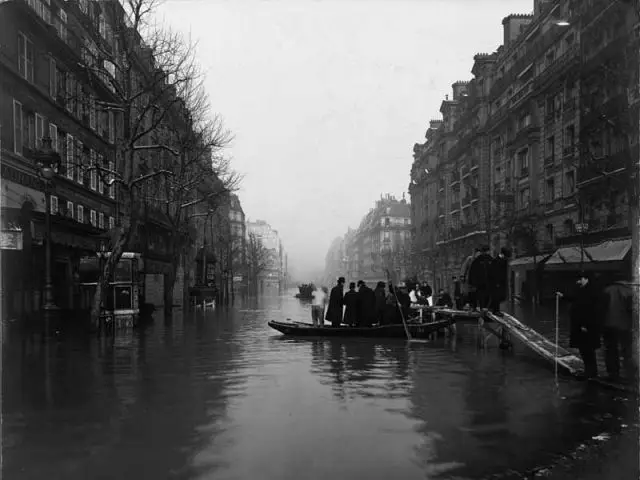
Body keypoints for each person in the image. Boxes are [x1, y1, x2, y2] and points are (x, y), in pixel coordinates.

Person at [559, 272, 603, 379]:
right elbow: (576, 299)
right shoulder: (584, 290)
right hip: (582, 325)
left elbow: (588, 310)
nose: (578, 282)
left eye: (580, 279)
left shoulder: (590, 292)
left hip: (585, 326)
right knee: (585, 349)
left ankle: (591, 372)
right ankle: (590, 371)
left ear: (586, 279)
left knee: (587, 349)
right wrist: (563, 296)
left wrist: (585, 324)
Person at [601, 278, 636, 381]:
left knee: (611, 350)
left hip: (609, 325)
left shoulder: (606, 291)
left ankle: (613, 374)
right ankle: (631, 375)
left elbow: (601, 309)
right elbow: (632, 310)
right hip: (626, 326)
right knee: (628, 351)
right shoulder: (630, 291)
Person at [468, 246, 493, 310]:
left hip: (487, 283)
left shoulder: (491, 259)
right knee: (482, 298)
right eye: (486, 251)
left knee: (486, 298)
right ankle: (484, 311)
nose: (487, 252)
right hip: (481, 284)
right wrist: (472, 283)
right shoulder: (478, 260)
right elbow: (472, 272)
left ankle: (486, 310)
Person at [489, 247, 511, 315]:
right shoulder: (497, 260)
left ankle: (494, 309)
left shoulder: (503, 260)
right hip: (497, 282)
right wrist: (497, 282)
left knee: (500, 296)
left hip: (501, 281)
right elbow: (495, 272)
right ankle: (495, 310)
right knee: (497, 296)